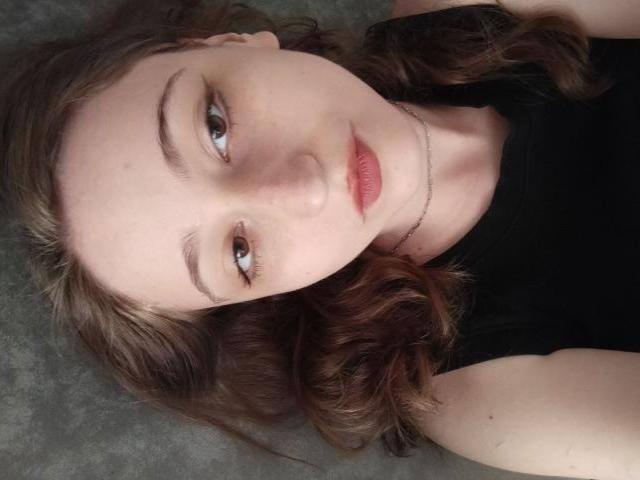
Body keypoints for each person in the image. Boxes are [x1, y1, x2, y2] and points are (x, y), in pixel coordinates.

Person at [1, 0, 638, 477]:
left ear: (234, 43)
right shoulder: (474, 386)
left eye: (215, 127)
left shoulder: (465, 6)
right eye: (240, 252)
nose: (305, 187)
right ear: (261, 297)